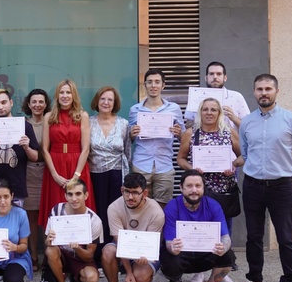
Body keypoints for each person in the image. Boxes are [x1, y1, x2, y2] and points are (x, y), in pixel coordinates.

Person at [237, 74, 292, 282]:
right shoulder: (247, 122)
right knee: (253, 237)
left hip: (281, 187)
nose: (263, 93)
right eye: (259, 89)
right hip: (253, 185)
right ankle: (254, 281)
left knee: (285, 238)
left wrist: (286, 172)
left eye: (268, 88)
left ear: (276, 91)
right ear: (254, 92)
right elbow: (246, 154)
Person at [177, 98, 244, 282]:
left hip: (225, 190)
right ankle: (200, 271)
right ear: (200, 112)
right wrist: (192, 169)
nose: (209, 112)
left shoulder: (228, 132)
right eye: (205, 109)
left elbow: (242, 155)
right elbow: (180, 158)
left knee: (225, 232)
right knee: (200, 230)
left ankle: (221, 273)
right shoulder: (191, 133)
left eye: (213, 109)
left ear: (219, 113)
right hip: (200, 192)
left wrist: (233, 165)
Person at [161, 170, 235, 282]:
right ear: (181, 187)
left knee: (228, 256)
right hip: (181, 255)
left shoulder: (213, 205)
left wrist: (223, 247)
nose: (194, 190)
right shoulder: (172, 206)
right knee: (167, 256)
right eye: (189, 186)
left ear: (203, 187)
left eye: (197, 185)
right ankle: (176, 281)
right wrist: (172, 247)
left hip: (205, 254)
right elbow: (168, 241)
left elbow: (226, 237)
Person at [101, 173, 165, 282]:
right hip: (123, 246)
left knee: (141, 277)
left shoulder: (157, 212)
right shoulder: (114, 208)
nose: (130, 197)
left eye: (135, 193)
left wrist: (142, 259)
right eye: (127, 192)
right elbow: (120, 243)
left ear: (145, 193)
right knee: (108, 251)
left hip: (145, 249)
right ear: (122, 190)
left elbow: (151, 245)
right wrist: (128, 272)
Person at [39, 79, 95, 228]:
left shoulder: (82, 116)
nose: (65, 96)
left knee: (77, 201)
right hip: (55, 165)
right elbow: (45, 149)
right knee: (56, 203)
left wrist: (76, 176)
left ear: (73, 95)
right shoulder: (48, 117)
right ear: (57, 96)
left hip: (77, 165)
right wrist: (55, 175)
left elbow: (86, 148)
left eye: (68, 92)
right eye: (62, 92)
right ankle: (54, 248)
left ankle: (80, 247)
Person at [128, 69, 185, 208]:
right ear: (145, 85)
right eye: (150, 82)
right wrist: (132, 134)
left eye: (157, 82)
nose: (153, 85)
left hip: (164, 165)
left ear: (163, 85)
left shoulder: (174, 109)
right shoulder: (135, 110)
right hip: (141, 164)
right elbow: (129, 141)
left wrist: (179, 134)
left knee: (163, 208)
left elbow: (184, 139)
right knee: (139, 206)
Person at [44, 178, 103, 282]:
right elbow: (47, 242)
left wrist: (77, 249)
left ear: (86, 195)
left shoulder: (94, 220)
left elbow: (89, 256)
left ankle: (76, 279)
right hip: (61, 254)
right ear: (65, 195)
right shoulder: (56, 210)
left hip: (80, 257)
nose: (74, 198)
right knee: (50, 250)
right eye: (70, 194)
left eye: (78, 194)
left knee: (92, 279)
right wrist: (48, 240)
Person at [0, 88, 39, 210]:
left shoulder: (25, 126)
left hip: (16, 186)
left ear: (11, 102)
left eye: (3, 102)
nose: (0, 107)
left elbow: (35, 157)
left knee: (13, 224)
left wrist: (27, 147)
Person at [88, 86, 131, 247]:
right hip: (95, 174)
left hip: (116, 174)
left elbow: (127, 152)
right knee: (98, 212)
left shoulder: (123, 124)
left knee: (116, 213)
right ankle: (98, 252)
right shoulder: (88, 122)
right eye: (102, 99)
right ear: (97, 101)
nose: (106, 102)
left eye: (110, 99)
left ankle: (117, 251)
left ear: (115, 103)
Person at [22, 88, 50, 268]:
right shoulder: (23, 124)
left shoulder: (51, 122)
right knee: (31, 217)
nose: (37, 105)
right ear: (28, 104)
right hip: (28, 173)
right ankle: (33, 256)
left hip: (49, 172)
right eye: (34, 102)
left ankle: (49, 256)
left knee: (48, 217)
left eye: (41, 102)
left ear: (46, 104)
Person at [185, 61, 250, 130]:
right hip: (202, 140)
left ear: (225, 78)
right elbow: (188, 126)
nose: (215, 77)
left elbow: (248, 128)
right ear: (206, 78)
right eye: (211, 74)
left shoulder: (236, 97)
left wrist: (233, 118)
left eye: (219, 74)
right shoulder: (196, 96)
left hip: (230, 139)